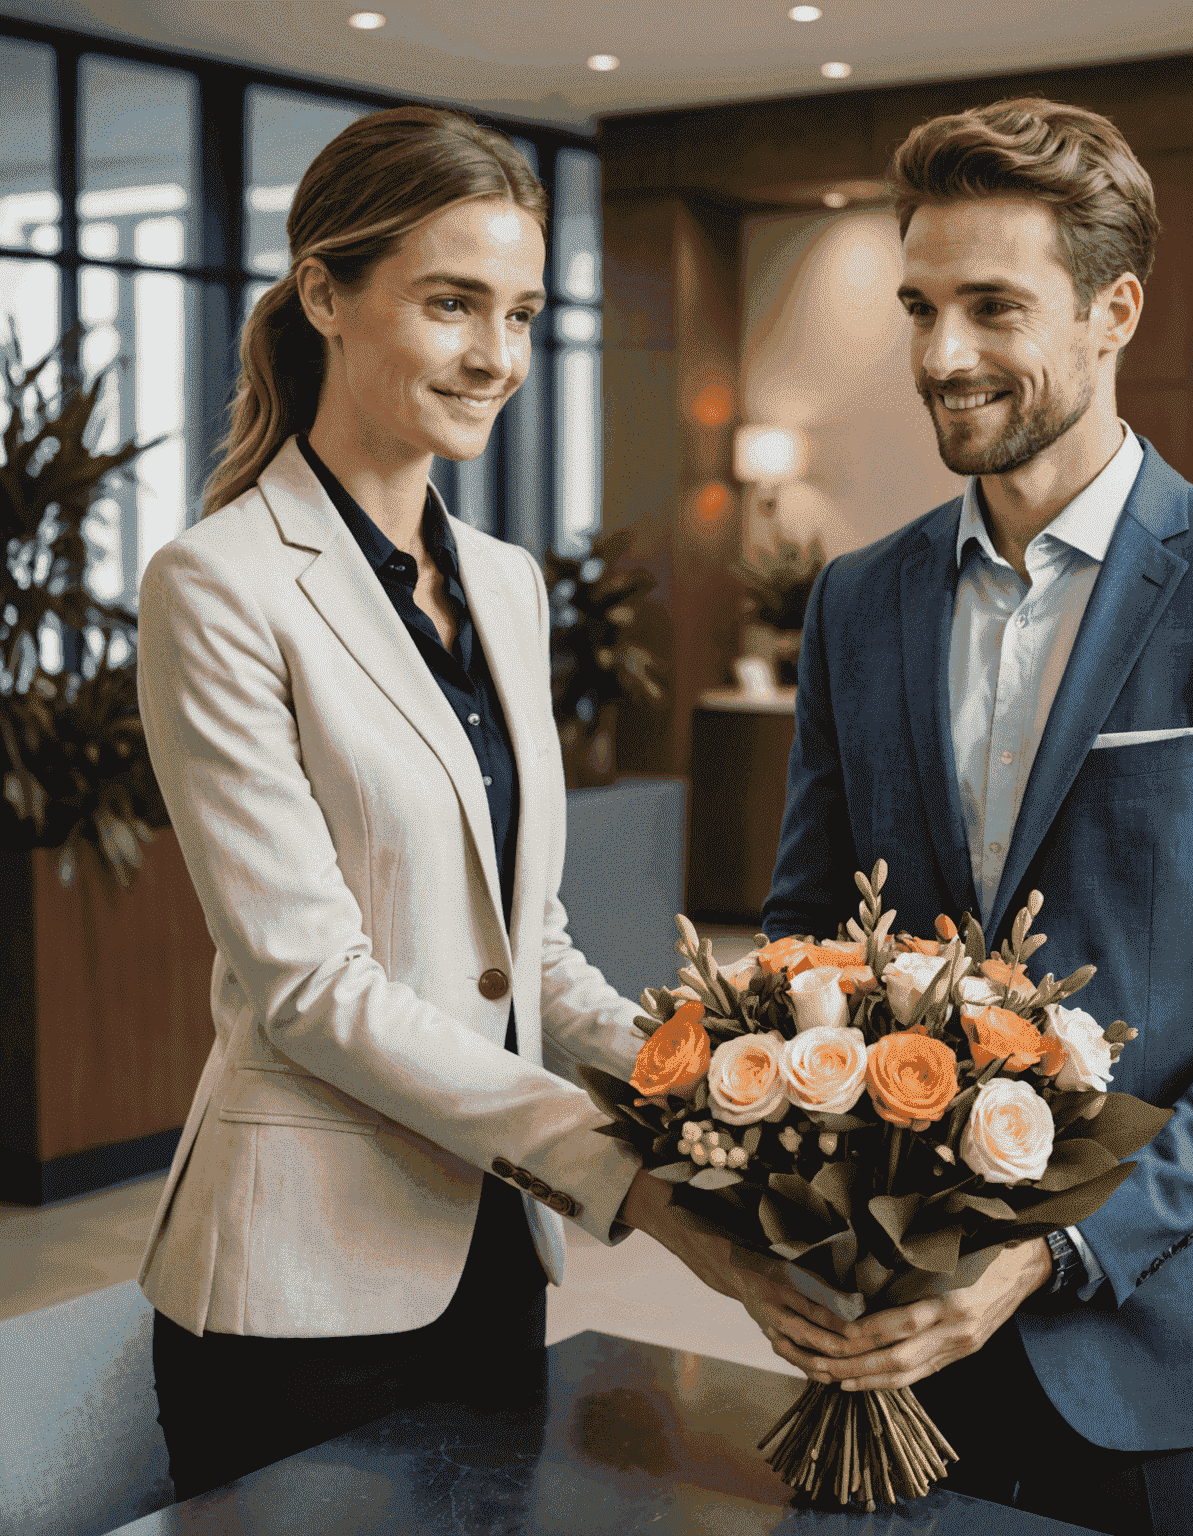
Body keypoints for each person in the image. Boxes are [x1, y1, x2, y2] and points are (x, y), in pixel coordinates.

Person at [135, 105, 822, 1500]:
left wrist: (720, 1103)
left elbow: (529, 939)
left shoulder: (503, 581)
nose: (496, 357)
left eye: (518, 313)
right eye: (452, 304)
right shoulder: (217, 584)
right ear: (324, 291)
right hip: (298, 1291)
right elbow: (311, 989)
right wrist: (630, 1178)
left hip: (495, 1257)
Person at [758, 98, 1193, 1534]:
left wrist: (1053, 1252)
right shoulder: (857, 601)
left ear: (1116, 310)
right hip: (889, 1356)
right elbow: (808, 934)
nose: (944, 355)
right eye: (921, 306)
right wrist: (801, 1204)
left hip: (1154, 1356)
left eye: (995, 307)